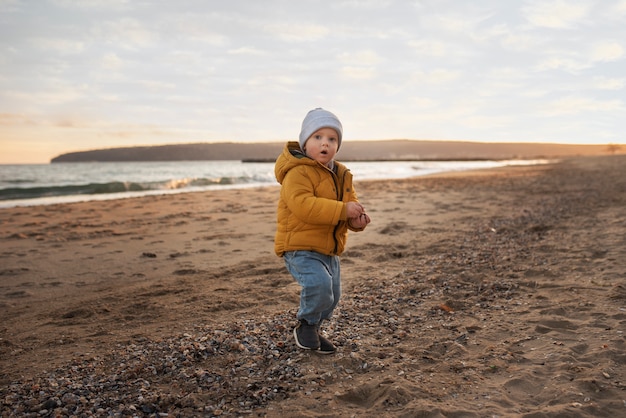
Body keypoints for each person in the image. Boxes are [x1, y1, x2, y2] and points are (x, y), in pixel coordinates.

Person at [274, 108, 371, 354]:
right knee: (318, 285)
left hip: (329, 248)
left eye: (332, 139)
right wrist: (342, 210)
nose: (325, 143)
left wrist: (355, 221)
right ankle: (305, 324)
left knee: (332, 296)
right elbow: (304, 206)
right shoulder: (297, 172)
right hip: (299, 247)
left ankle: (314, 328)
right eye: (318, 137)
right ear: (305, 143)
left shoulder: (342, 174)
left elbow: (348, 207)